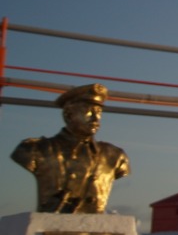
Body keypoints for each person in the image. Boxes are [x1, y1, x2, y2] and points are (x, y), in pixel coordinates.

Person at [11, 83, 130, 214]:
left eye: (99, 112)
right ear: (68, 115)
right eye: (88, 111)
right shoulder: (35, 150)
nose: (95, 118)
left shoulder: (114, 156)